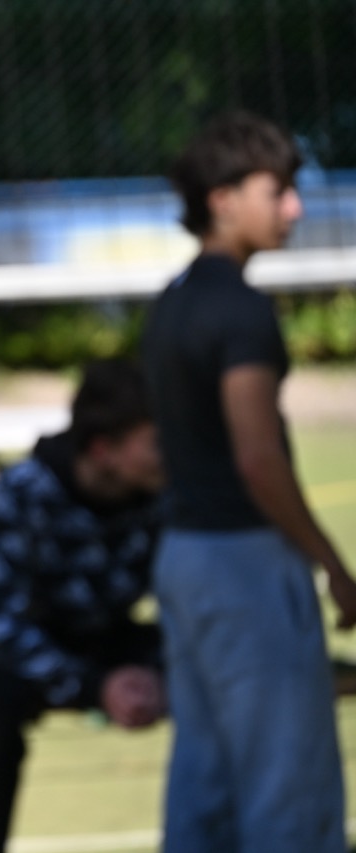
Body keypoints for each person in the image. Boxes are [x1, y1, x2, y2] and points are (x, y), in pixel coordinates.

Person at [141, 110, 356, 852]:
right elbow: (258, 458)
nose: (293, 208)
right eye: (279, 191)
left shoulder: (171, 302)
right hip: (245, 566)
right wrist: (332, 564)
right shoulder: (240, 310)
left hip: (183, 557)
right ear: (223, 198)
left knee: (205, 788)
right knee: (287, 794)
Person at [0, 358, 166, 853]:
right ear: (103, 449)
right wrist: (95, 685)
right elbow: (1, 625)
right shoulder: (22, 492)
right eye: (157, 442)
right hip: (22, 646)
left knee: (221, 666)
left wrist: (154, 670)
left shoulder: (164, 495)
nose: (172, 454)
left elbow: (185, 605)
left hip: (110, 636)